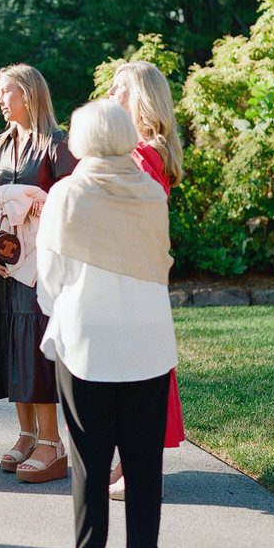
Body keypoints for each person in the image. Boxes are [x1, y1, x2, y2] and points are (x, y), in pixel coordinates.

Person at [36, 99, 178, 548]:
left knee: (89, 458)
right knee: (144, 457)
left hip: (88, 338)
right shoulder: (151, 193)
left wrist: (58, 310)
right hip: (150, 336)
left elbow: (50, 277)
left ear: (80, 140)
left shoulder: (67, 194)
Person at [0, 63, 78, 483]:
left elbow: (73, 202)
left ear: (28, 94)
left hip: (41, 264)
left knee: (33, 341)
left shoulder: (58, 143)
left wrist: (42, 204)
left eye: (4, 92)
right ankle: (27, 434)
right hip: (3, 261)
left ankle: (52, 442)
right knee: (10, 341)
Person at [105, 60, 186, 500]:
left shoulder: (141, 155)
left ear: (140, 98)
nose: (110, 95)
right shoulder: (144, 151)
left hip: (132, 276)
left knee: (134, 373)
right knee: (131, 369)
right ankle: (127, 463)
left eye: (119, 89)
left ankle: (138, 467)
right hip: (134, 274)